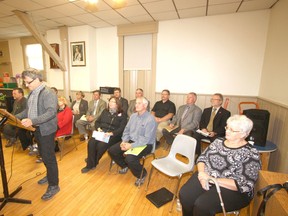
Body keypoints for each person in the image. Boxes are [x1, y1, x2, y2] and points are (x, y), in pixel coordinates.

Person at [179, 115, 261, 216]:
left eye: (232, 130)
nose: (227, 131)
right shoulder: (218, 142)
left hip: (233, 189)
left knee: (202, 205)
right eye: (227, 127)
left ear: (243, 134)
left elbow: (244, 184)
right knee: (185, 195)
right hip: (206, 175)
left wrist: (211, 179)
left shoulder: (250, 153)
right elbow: (202, 158)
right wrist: (201, 175)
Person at [16, 68, 60, 201]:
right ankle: (50, 176)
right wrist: (12, 117)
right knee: (44, 155)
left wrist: (32, 121)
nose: (26, 85)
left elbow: (51, 112)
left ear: (37, 79)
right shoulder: (32, 93)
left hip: (46, 130)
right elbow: (27, 111)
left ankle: (54, 185)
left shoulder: (48, 93)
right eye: (25, 83)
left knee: (49, 157)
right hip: (36, 129)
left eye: (28, 82)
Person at [108, 97, 156, 186]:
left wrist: (131, 146)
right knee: (112, 150)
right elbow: (126, 130)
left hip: (145, 144)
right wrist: (124, 141)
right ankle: (125, 166)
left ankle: (142, 174)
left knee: (130, 158)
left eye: (139, 103)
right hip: (131, 140)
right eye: (136, 103)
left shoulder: (150, 119)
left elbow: (146, 139)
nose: (136, 105)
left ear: (145, 105)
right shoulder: (133, 116)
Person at [81, 96, 127, 173]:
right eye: (110, 101)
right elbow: (97, 122)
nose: (110, 103)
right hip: (102, 132)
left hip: (114, 135)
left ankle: (92, 163)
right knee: (91, 143)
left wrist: (111, 133)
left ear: (117, 104)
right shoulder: (105, 111)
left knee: (101, 145)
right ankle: (91, 162)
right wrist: (99, 129)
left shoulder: (122, 115)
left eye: (113, 102)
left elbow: (122, 128)